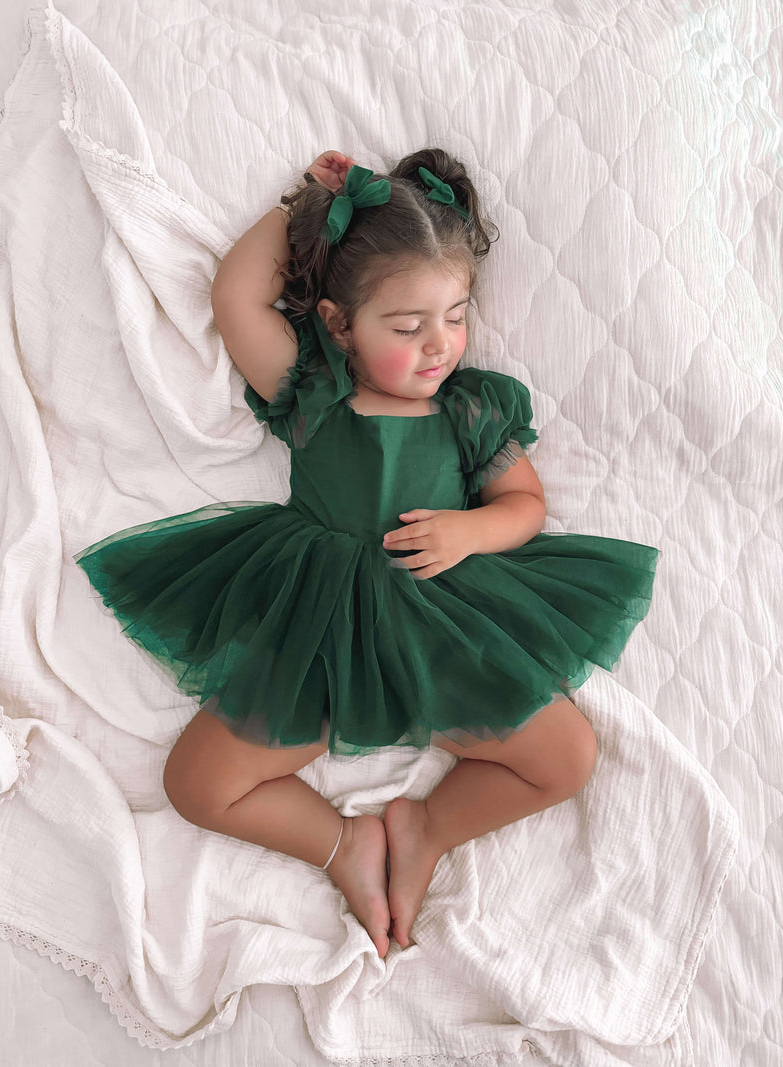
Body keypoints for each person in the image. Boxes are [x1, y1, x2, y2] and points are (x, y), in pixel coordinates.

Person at [75, 149, 658, 959]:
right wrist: (310, 201)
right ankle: (343, 844)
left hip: (446, 613)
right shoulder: (315, 395)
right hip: (320, 621)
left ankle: (427, 824)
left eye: (456, 315)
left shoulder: (470, 411)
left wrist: (472, 529)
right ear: (340, 323)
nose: (439, 346)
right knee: (197, 783)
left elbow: (526, 505)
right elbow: (235, 296)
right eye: (408, 327)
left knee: (568, 756)